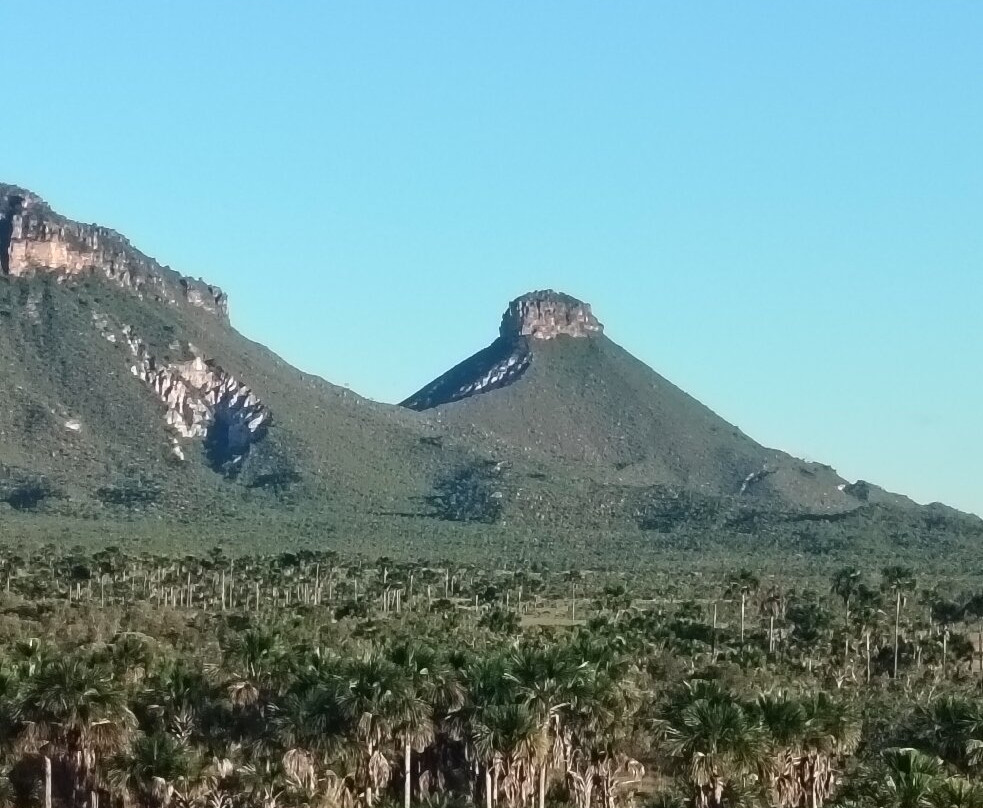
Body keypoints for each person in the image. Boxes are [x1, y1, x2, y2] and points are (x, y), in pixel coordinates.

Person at [0, 194, 25, 275]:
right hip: (5, 229)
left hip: (6, 229)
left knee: (4, 251)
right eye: (19, 205)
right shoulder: (9, 213)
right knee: (4, 251)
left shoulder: (10, 213)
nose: (21, 207)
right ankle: (5, 271)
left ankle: (5, 271)